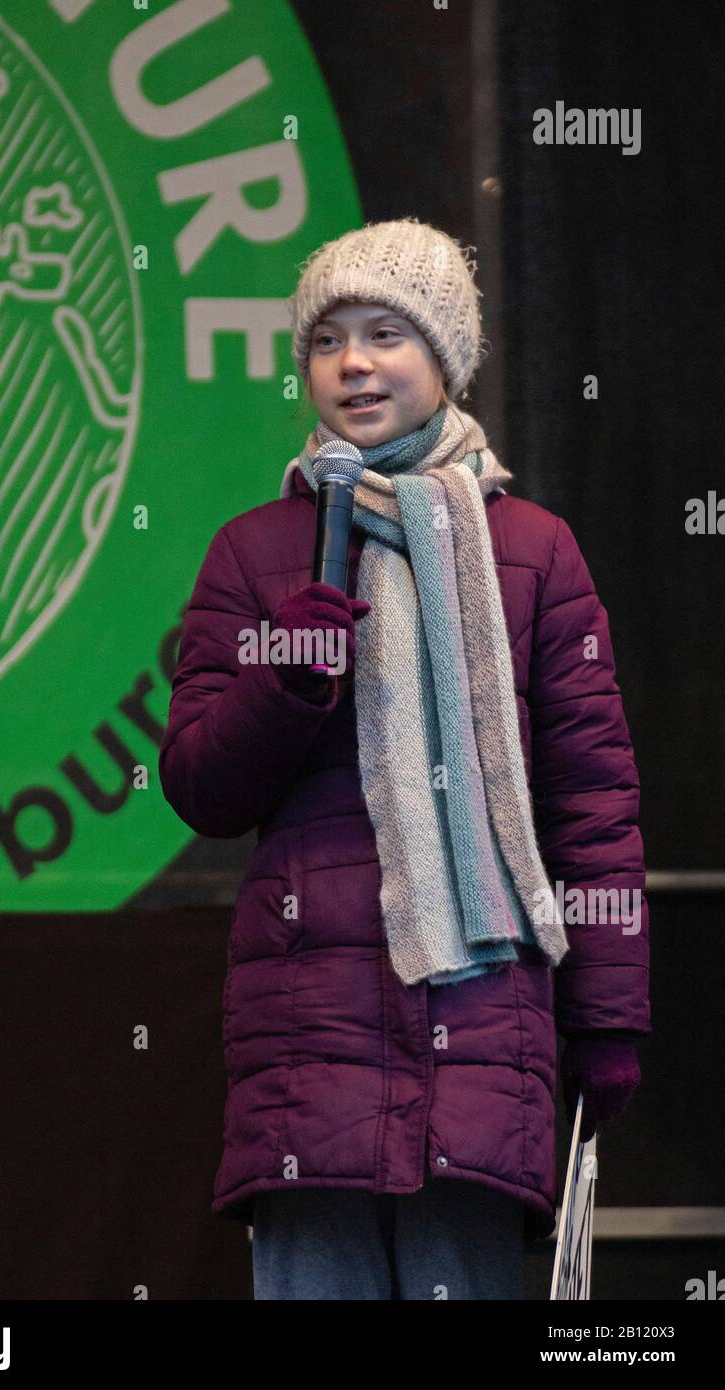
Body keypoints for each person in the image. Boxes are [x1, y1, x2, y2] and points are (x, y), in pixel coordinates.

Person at [158, 218, 650, 1300]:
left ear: (446, 358)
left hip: (482, 1036)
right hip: (308, 1038)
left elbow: (593, 797)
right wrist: (285, 677)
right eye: (326, 342)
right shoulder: (254, 549)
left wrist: (607, 1014)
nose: (354, 363)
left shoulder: (534, 549)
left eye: (386, 333)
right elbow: (198, 783)